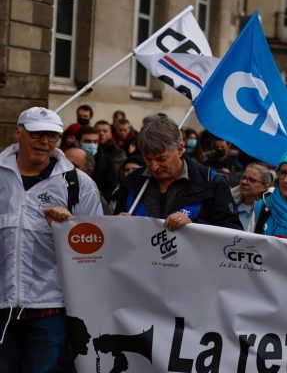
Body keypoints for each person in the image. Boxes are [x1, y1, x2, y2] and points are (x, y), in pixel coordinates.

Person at [0, 107, 103, 371]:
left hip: (51, 308)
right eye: (37, 134)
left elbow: (96, 251)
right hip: (3, 306)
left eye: (52, 136)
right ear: (19, 132)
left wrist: (71, 228)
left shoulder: (77, 184)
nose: (44, 142)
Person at [113, 117, 241, 230]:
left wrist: (194, 225)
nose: (154, 167)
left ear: (180, 149)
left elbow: (233, 232)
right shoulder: (132, 181)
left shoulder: (212, 182)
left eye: (161, 159)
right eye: (148, 159)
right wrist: (118, 223)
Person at [77, 125, 118, 197]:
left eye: (95, 141)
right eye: (87, 141)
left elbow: (111, 188)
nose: (92, 145)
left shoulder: (107, 161)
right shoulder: (68, 160)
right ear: (78, 142)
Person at [233, 163, 274, 230]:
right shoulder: (228, 204)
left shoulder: (267, 213)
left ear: (264, 187)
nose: (244, 182)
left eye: (252, 180)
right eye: (243, 178)